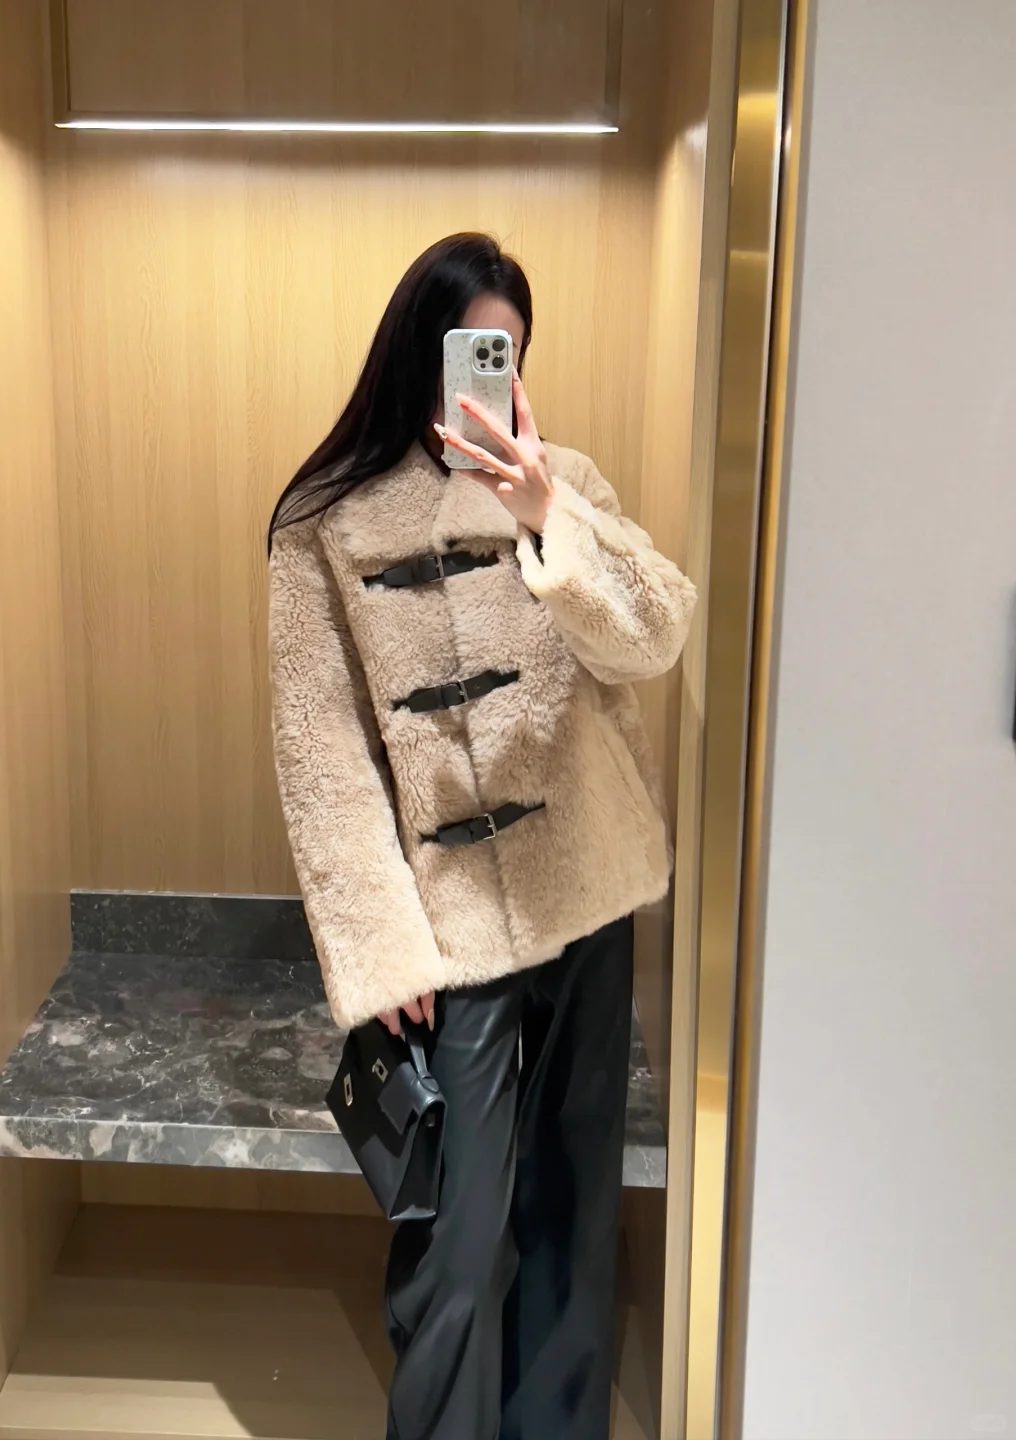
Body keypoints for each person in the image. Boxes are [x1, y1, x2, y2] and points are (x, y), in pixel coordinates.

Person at [268, 232, 696, 1440]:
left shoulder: (565, 482)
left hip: (588, 889)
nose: (487, 380)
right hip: (451, 931)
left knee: (573, 1210)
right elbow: (322, 755)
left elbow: (656, 637)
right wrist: (381, 951)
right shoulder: (321, 523)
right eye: (471, 351)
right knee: (456, 1243)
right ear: (420, 354)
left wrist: (547, 516)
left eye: (506, 355)